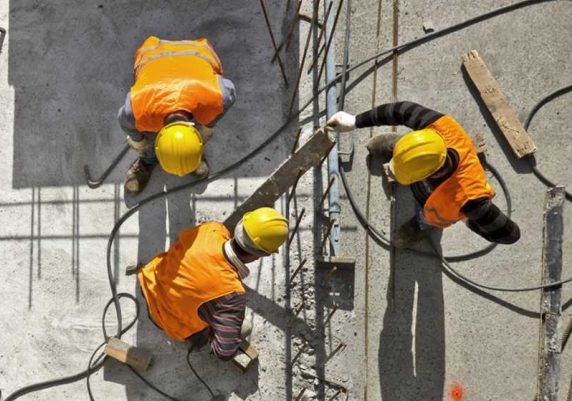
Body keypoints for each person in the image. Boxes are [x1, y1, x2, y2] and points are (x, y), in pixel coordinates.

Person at [326, 101, 520, 247]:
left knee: (427, 217)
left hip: (434, 207)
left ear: (427, 175)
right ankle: (397, 147)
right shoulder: (441, 126)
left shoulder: (470, 199)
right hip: (419, 150)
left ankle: (420, 225)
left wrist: (468, 218)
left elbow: (511, 235)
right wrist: (356, 121)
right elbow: (400, 110)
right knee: (404, 149)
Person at [137, 207, 288, 360]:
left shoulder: (213, 229)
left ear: (239, 226)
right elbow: (224, 352)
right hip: (165, 320)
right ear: (260, 255)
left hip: (150, 281)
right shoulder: (232, 296)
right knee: (245, 327)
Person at [118, 36, 237, 195]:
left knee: (199, 122)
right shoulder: (136, 111)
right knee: (146, 143)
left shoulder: (218, 97)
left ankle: (188, 154)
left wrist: (208, 126)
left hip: (198, 51)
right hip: (154, 52)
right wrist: (139, 143)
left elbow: (229, 91)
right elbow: (125, 121)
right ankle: (148, 160)